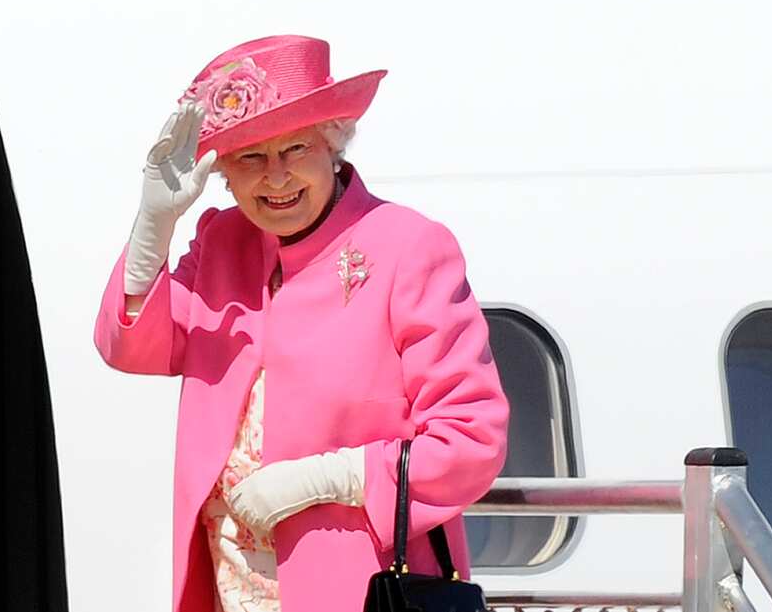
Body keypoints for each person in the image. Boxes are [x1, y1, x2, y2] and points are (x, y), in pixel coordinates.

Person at [95, 35, 510, 612]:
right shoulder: (223, 242)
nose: (276, 178)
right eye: (250, 159)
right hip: (227, 585)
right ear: (225, 176)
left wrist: (327, 478)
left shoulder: (408, 247)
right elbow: (133, 346)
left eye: (295, 149)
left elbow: (472, 441)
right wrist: (152, 228)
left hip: (358, 589)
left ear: (332, 145)